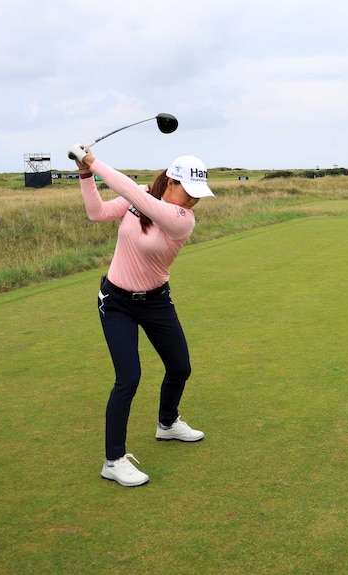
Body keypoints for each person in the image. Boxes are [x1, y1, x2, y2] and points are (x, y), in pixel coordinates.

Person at [68, 143, 215, 487]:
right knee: (128, 378)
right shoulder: (145, 195)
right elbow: (98, 213)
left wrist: (94, 159)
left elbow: (132, 192)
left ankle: (167, 424)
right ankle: (113, 460)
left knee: (180, 367)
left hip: (156, 301)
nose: (194, 200)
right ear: (172, 182)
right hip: (116, 302)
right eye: (189, 191)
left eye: (199, 194)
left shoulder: (182, 220)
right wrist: (86, 174)